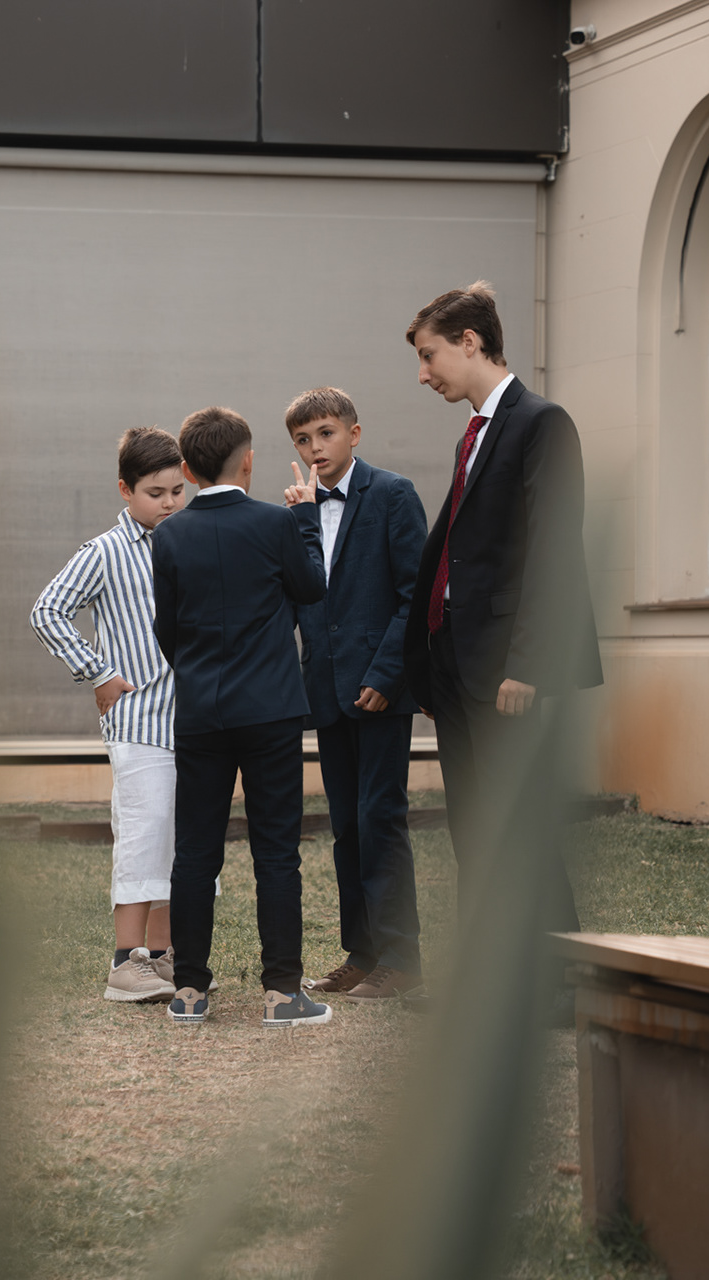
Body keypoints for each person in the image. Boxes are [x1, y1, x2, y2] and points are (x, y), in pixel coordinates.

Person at [400, 282, 602, 942]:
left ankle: (557, 971)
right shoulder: (474, 434)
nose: (423, 374)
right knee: (473, 826)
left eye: (428, 355)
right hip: (455, 660)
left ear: (470, 342)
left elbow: (554, 548)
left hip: (504, 666)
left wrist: (528, 663)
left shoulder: (542, 423)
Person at [151, 407, 332, 1028]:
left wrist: (199, 672)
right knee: (276, 851)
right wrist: (307, 519)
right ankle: (282, 993)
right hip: (272, 709)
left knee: (195, 852)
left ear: (186, 469)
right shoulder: (277, 522)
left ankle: (189, 991)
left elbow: (167, 630)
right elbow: (312, 588)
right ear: (248, 461)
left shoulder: (169, 535)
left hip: (201, 711)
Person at [279, 387, 428, 1003]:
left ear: (353, 433)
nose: (315, 448)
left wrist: (387, 676)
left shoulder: (393, 494)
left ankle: (401, 959)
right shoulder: (298, 510)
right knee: (346, 826)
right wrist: (299, 521)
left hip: (380, 689)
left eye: (326, 433)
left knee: (380, 819)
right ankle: (362, 955)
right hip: (326, 688)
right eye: (302, 440)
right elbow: (303, 593)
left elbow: (416, 596)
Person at [30, 427, 187, 1002]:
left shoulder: (188, 540)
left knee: (177, 840)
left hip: (191, 721)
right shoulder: (104, 552)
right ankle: (125, 964)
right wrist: (98, 673)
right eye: (154, 493)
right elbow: (47, 611)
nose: (168, 503)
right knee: (143, 835)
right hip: (139, 722)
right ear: (125, 489)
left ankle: (164, 958)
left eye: (177, 491)